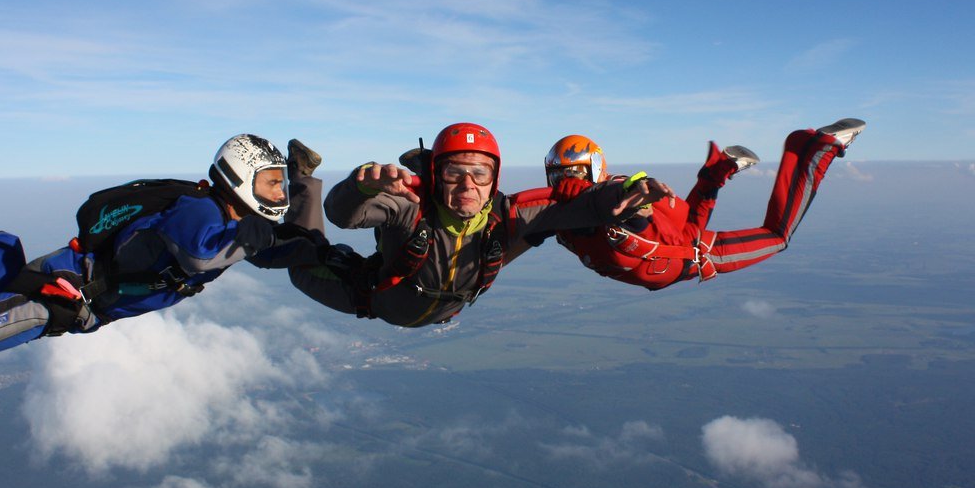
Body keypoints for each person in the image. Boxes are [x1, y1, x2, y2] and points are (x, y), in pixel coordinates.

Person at [0, 135, 333, 366]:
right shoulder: (201, 213)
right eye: (270, 184)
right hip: (60, 297)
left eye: (279, 185)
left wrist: (312, 244)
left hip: (66, 286)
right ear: (236, 178)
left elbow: (258, 251)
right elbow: (200, 259)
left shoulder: (229, 223)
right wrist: (265, 236)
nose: (278, 195)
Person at [284, 122, 674, 326]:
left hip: (437, 303)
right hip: (373, 297)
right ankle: (302, 175)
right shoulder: (410, 205)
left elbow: (577, 203)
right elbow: (342, 215)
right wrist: (360, 185)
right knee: (302, 262)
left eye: (480, 173)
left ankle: (430, 159)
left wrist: (622, 196)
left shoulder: (508, 213)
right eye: (455, 172)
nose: (469, 184)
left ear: (495, 177)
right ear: (438, 176)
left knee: (531, 227)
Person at [540, 119, 866, 289]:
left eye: (573, 173)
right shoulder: (555, 216)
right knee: (688, 228)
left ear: (595, 169)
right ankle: (718, 170)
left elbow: (632, 206)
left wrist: (631, 196)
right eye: (558, 174)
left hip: (694, 254)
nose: (564, 181)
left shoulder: (614, 202)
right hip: (677, 244)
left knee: (778, 236)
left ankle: (811, 151)